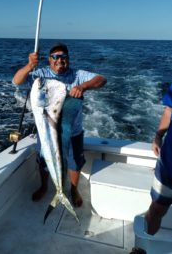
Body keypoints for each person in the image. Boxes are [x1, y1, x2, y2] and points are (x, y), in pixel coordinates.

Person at [13, 43, 107, 207]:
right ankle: (44, 186)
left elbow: (102, 79)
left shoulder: (77, 75)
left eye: (64, 57)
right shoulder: (40, 74)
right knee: (44, 160)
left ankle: (74, 189)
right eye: (55, 57)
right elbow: (17, 81)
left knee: (75, 162)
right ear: (49, 59)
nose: (60, 60)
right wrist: (29, 66)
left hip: (73, 132)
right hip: (46, 132)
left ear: (68, 60)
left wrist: (83, 86)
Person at [145, 84, 172, 235]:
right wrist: (158, 136)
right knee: (156, 210)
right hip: (169, 163)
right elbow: (169, 111)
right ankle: (143, 246)